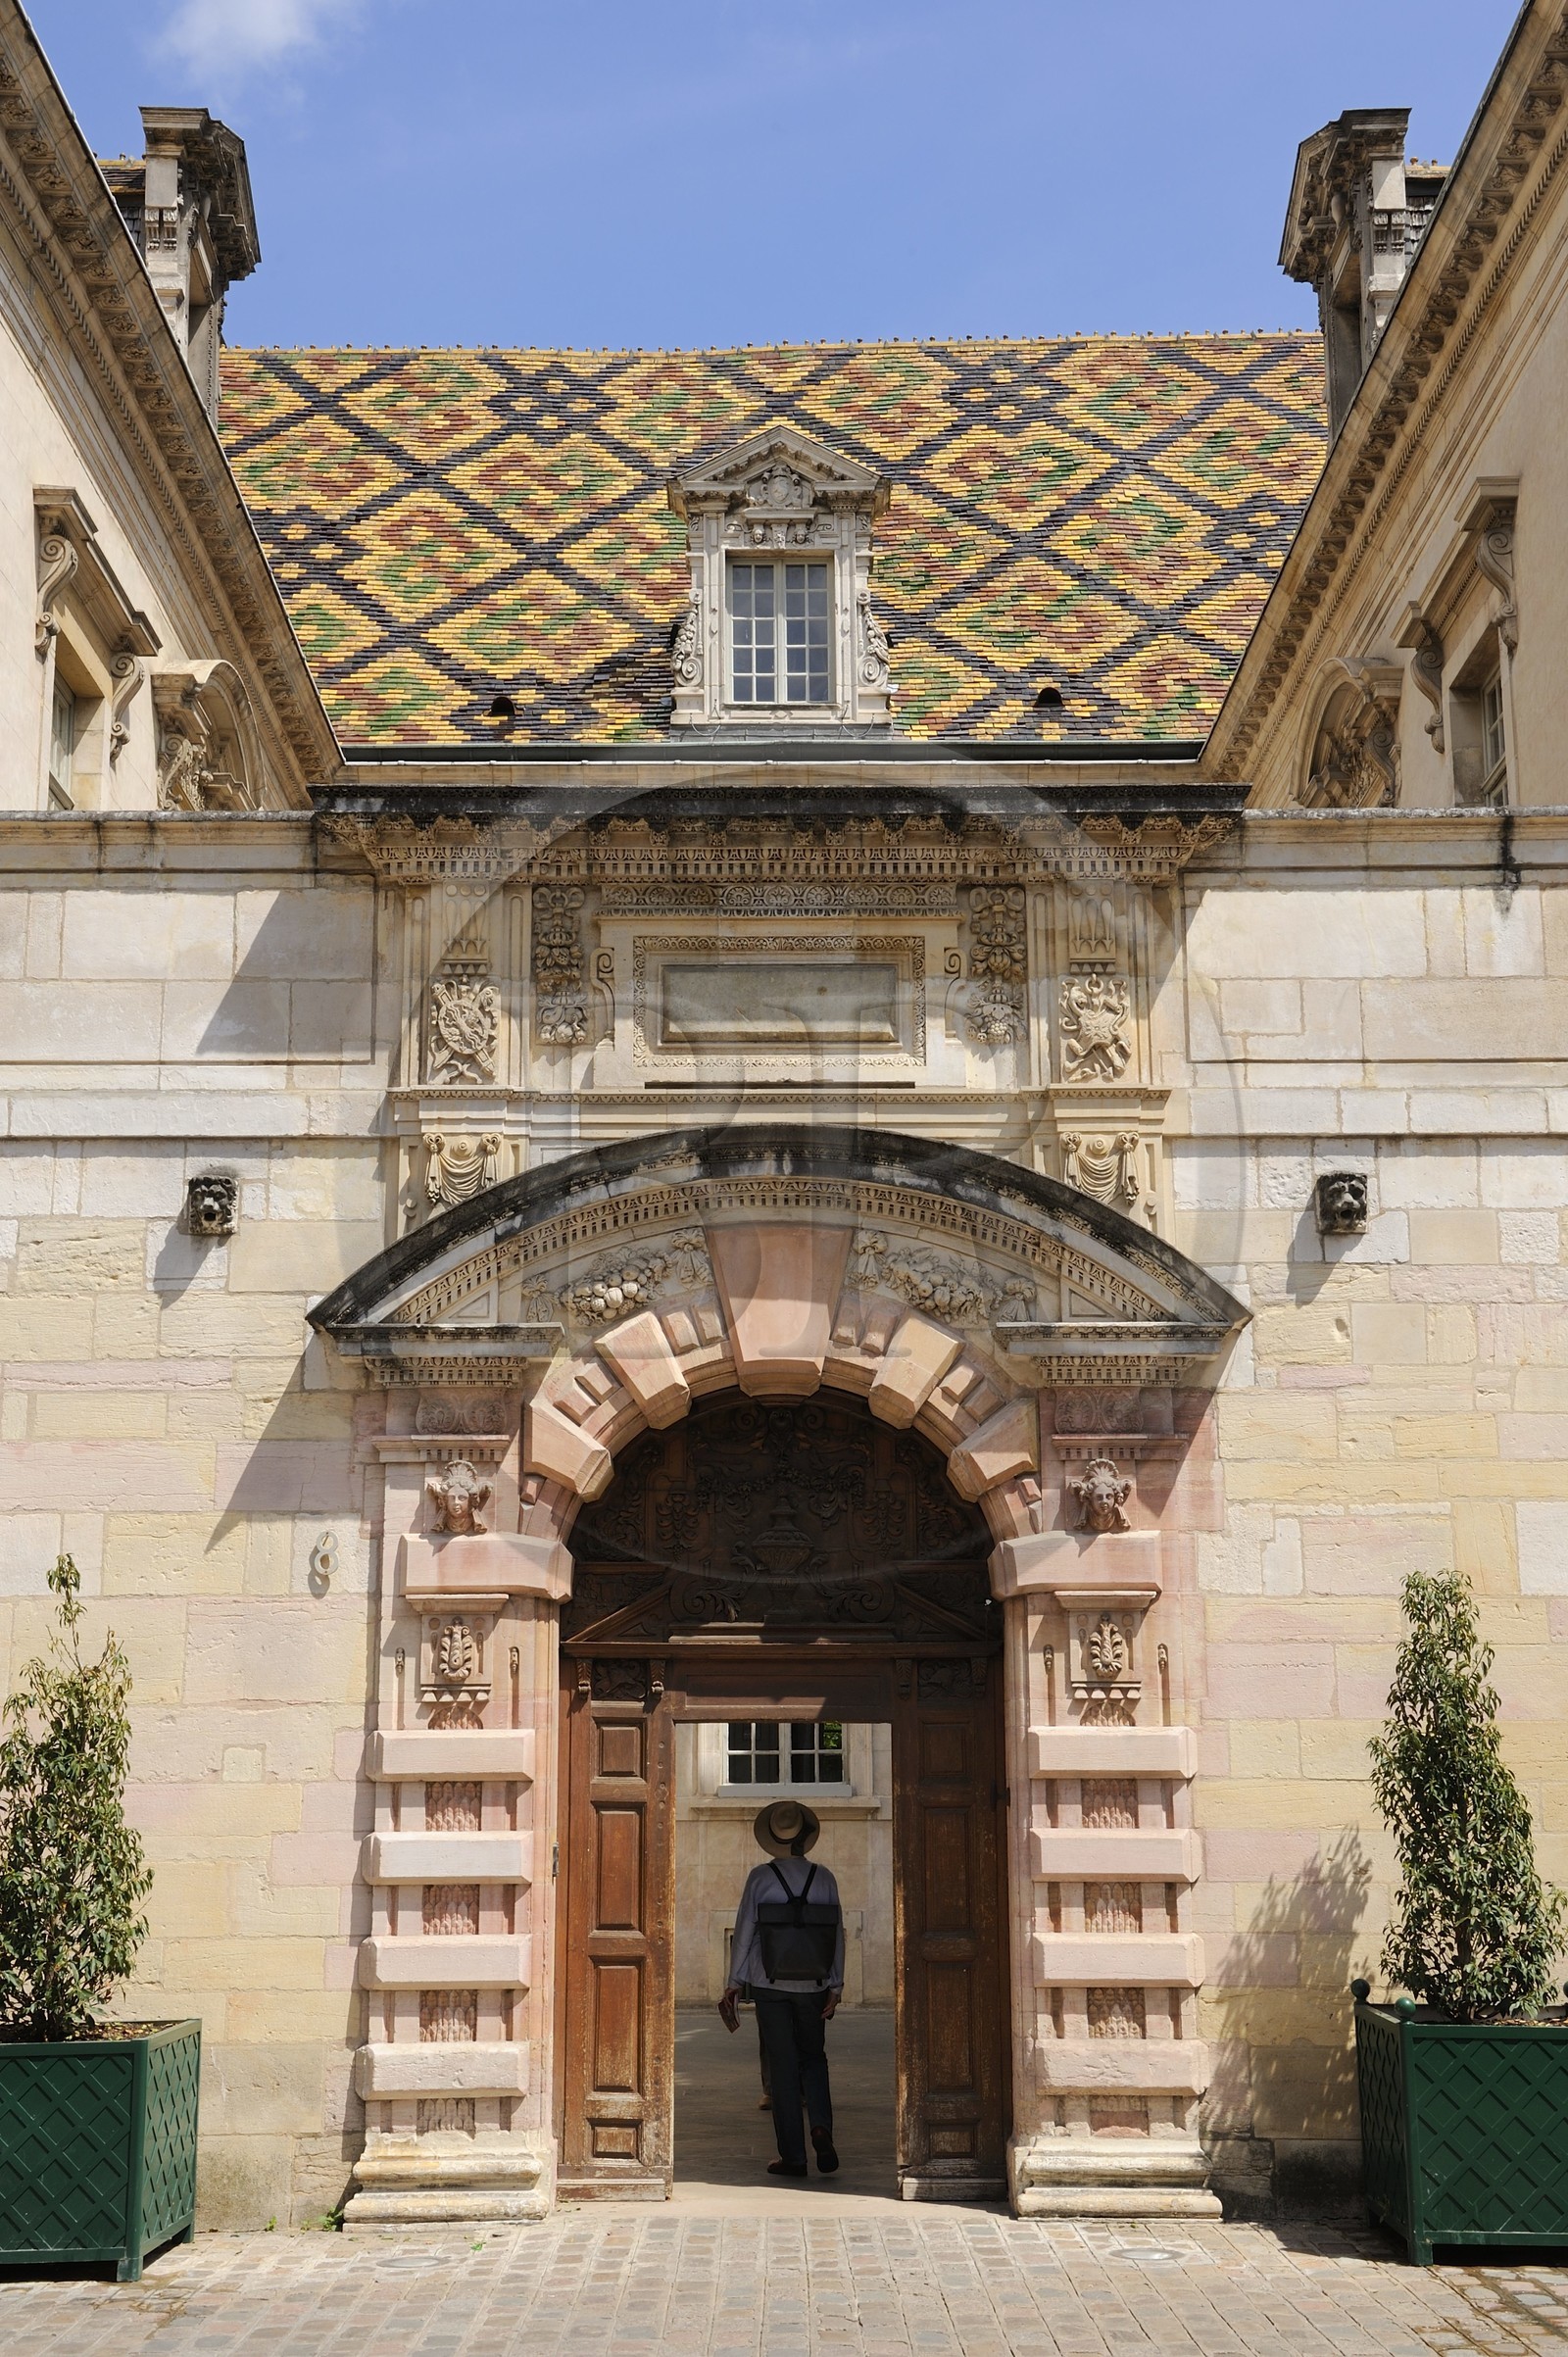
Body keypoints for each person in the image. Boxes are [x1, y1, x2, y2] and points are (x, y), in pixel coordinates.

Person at [719, 1797, 843, 2178]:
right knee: (814, 2058)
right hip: (813, 1984)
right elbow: (836, 1934)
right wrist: (835, 1984)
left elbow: (744, 1933)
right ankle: (820, 2125)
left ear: (771, 1839)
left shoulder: (760, 1878)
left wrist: (734, 1981)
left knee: (783, 2066)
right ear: (806, 1836)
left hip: (768, 1982)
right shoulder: (824, 1877)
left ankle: (793, 2156)